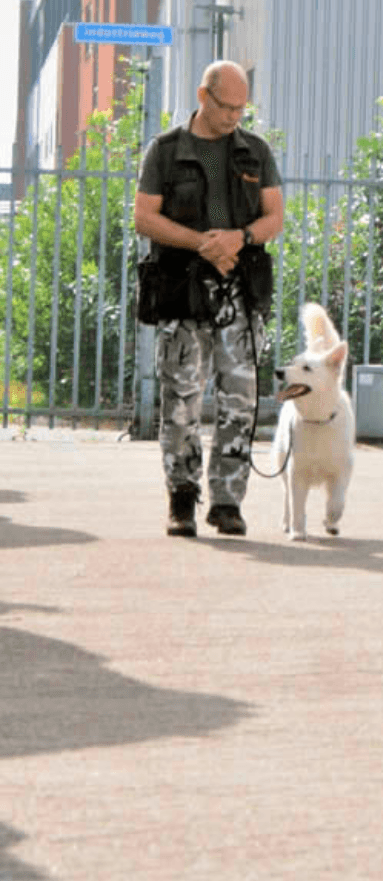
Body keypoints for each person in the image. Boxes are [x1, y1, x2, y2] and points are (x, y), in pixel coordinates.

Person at [134, 60, 285, 538]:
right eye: (226, 107)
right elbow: (145, 218)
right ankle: (182, 498)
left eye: (242, 108)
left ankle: (226, 501)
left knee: (240, 399)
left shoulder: (255, 152)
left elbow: (274, 217)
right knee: (181, 399)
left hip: (238, 293)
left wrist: (238, 238)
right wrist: (202, 242)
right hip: (183, 291)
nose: (234, 117)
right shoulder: (165, 151)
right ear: (203, 95)